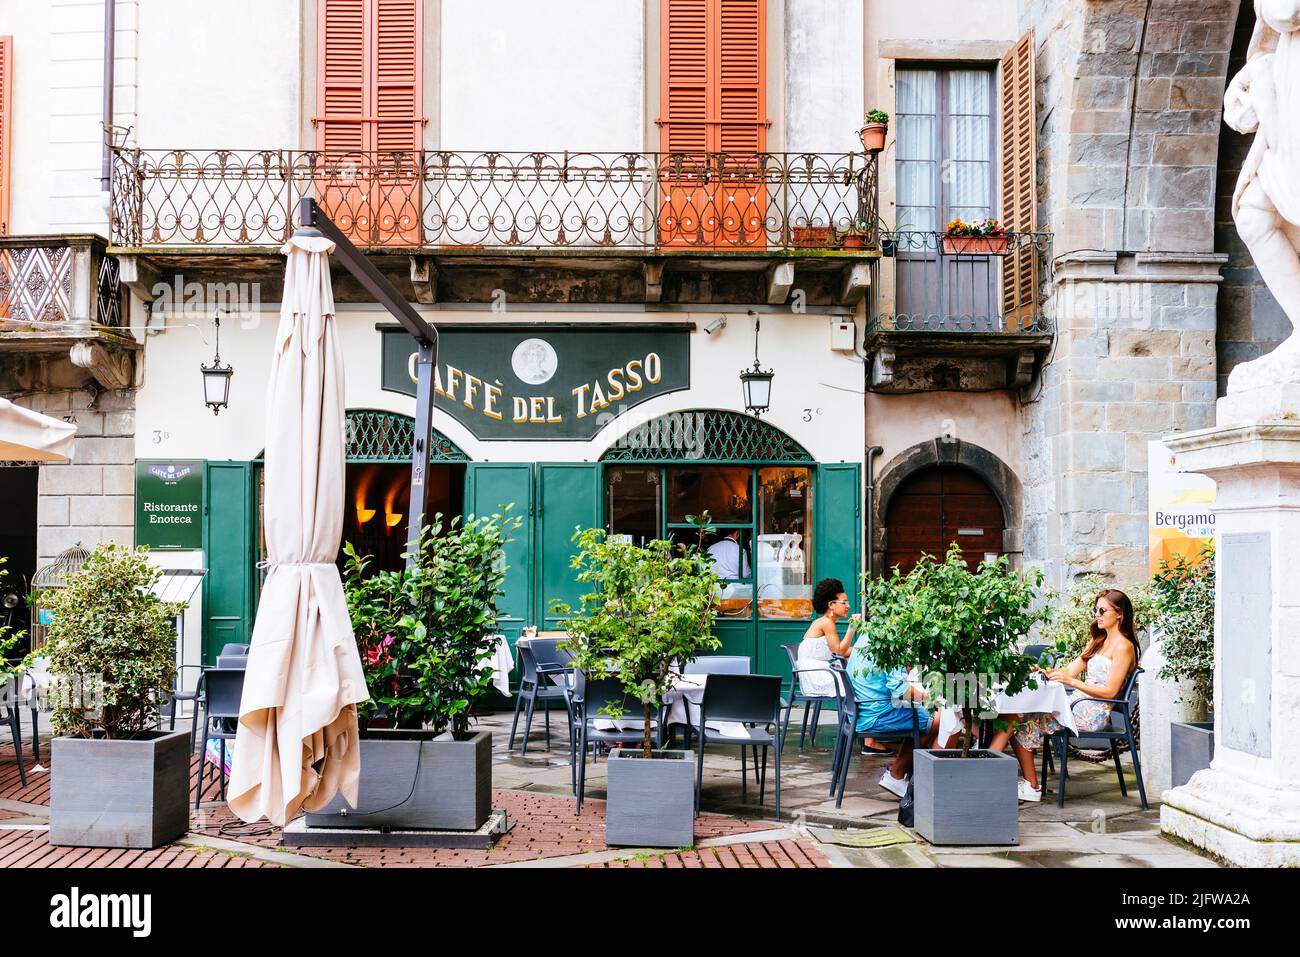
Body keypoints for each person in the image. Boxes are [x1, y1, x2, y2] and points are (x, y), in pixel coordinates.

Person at [988, 588, 1140, 803]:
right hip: (1077, 702)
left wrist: (1072, 682)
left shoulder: (1124, 646)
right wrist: (1043, 671)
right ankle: (1022, 782)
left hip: (1093, 711)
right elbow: (1069, 671)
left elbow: (1110, 692)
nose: (1097, 614)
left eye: (1102, 610)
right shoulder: (1098, 641)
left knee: (1015, 719)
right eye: (1095, 609)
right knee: (1011, 717)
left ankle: (1005, 777)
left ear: (1119, 614)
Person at [847, 636, 940, 798]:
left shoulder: (865, 635)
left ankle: (900, 773)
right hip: (876, 715)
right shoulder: (890, 642)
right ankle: (921, 782)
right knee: (941, 718)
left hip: (859, 712)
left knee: (924, 717)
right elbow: (900, 691)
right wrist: (930, 697)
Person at [795, 578, 856, 699]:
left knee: (855, 675)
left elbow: (839, 651)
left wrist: (861, 650)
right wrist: (852, 627)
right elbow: (839, 652)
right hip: (815, 676)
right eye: (844, 602)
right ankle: (855, 716)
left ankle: (853, 716)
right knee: (856, 682)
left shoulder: (825, 621)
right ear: (831, 605)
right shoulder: (826, 622)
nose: (848, 606)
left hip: (817, 672)